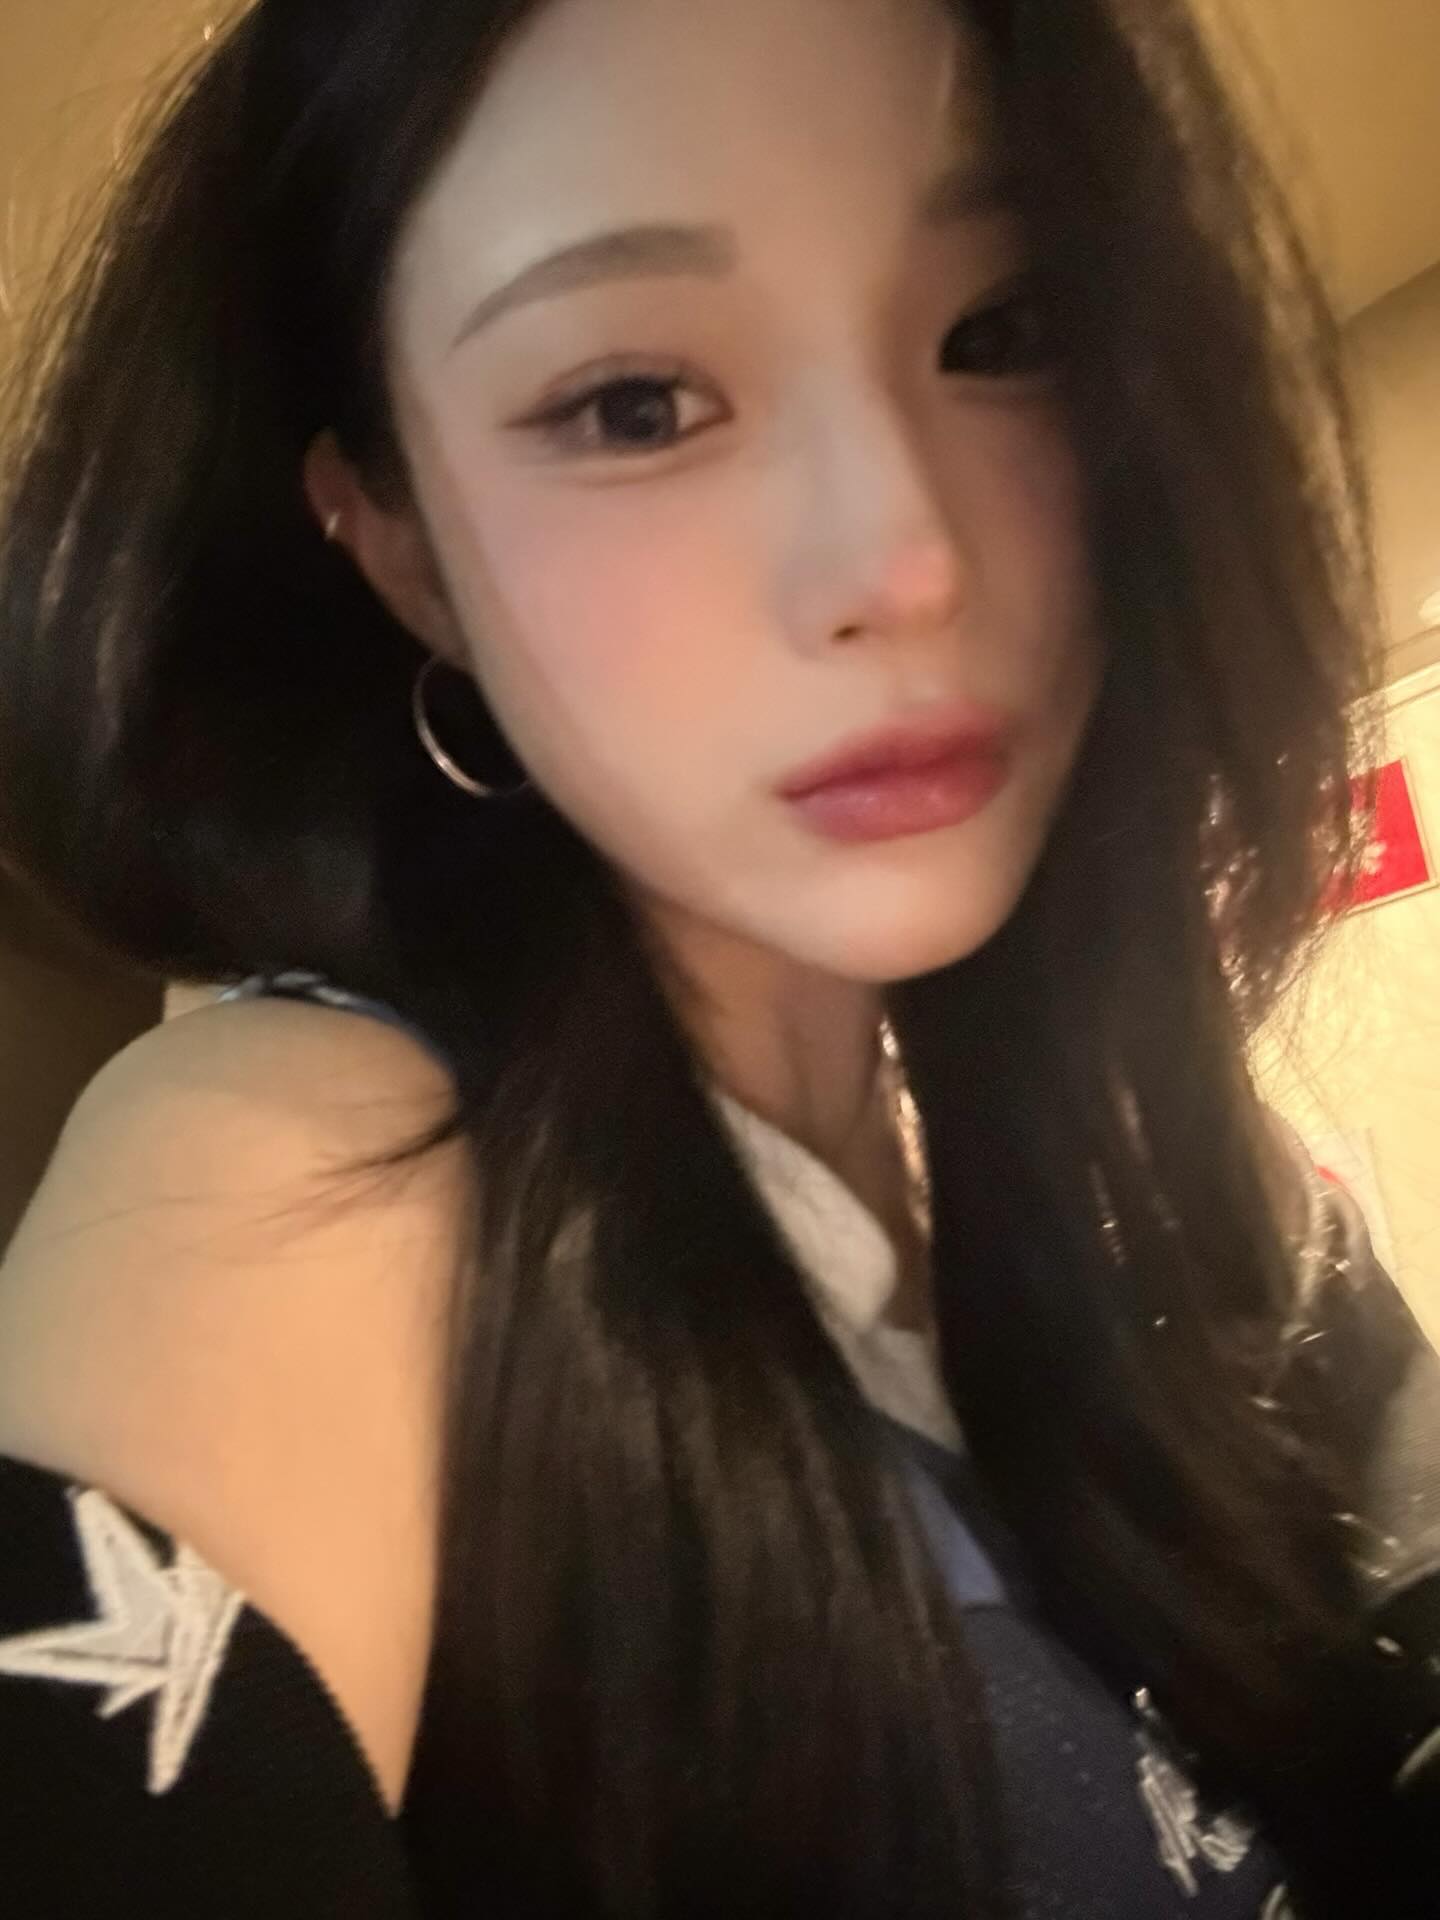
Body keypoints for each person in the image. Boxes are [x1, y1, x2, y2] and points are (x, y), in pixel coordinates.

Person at [0, 0, 1436, 1912]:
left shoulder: (1184, 1179)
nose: (906, 558)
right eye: (633, 405)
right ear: (401, 547)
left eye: (1003, 330)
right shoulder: (301, 1157)